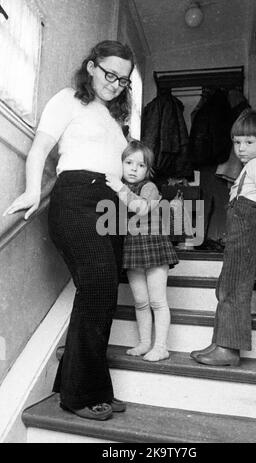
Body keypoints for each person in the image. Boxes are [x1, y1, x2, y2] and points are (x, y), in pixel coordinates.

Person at [3, 40, 135, 420]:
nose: (114, 83)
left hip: (110, 202)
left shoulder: (112, 119)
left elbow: (116, 171)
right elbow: (42, 147)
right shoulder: (67, 99)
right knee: (96, 287)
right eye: (109, 73)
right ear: (91, 66)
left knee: (105, 294)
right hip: (77, 197)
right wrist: (32, 190)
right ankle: (78, 397)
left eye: (123, 80)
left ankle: (83, 384)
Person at [190, 109, 256, 366]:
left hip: (250, 234)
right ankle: (219, 342)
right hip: (240, 236)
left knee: (235, 290)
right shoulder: (248, 168)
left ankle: (228, 350)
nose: (241, 148)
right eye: (237, 142)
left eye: (249, 142)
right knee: (225, 288)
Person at [105, 140, 179, 362]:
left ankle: (161, 346)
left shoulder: (148, 187)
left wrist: (119, 187)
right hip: (133, 248)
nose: (134, 169)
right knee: (141, 301)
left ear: (148, 170)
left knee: (157, 301)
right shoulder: (121, 187)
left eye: (140, 165)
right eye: (129, 162)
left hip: (154, 247)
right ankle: (145, 342)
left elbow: (142, 207)